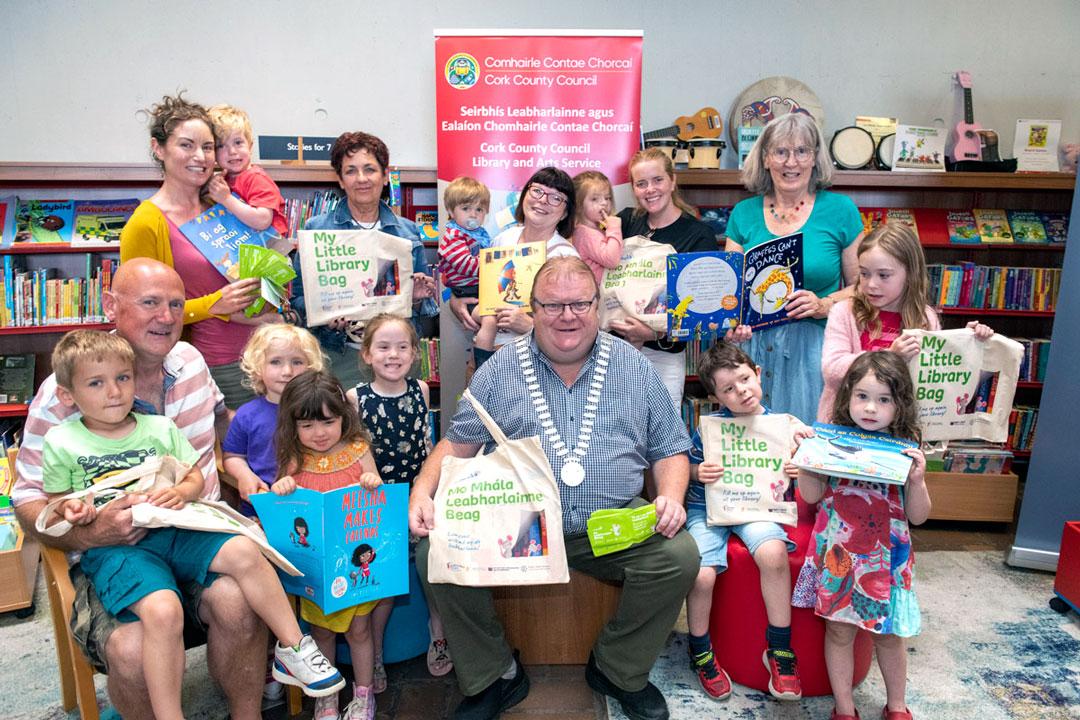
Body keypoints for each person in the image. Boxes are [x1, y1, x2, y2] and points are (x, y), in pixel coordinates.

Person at [410, 257, 699, 720]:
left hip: (610, 525)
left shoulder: (634, 366)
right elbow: (458, 442)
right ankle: (494, 675)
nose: (568, 315)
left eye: (580, 303)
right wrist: (422, 493)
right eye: (554, 305)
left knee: (679, 558)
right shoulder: (501, 369)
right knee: (432, 555)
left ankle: (617, 668)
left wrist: (670, 496)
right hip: (522, 528)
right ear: (533, 307)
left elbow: (670, 447)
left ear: (597, 307)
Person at [40, 331, 346, 720]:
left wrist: (183, 492)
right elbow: (57, 502)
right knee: (163, 610)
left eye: (122, 378)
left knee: (243, 549)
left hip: (176, 528)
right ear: (68, 395)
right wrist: (76, 512)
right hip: (120, 547)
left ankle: (293, 648)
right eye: (96, 383)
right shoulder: (62, 441)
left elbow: (192, 477)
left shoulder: (159, 428)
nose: (114, 392)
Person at [11, 257, 266, 720]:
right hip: (111, 554)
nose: (166, 318)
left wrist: (256, 468)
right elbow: (27, 500)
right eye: (149, 303)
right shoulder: (62, 391)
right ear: (111, 306)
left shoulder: (190, 361)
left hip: (193, 535)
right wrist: (91, 533)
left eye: (175, 304)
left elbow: (223, 425)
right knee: (130, 649)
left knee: (242, 600)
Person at [793, 352, 930, 720]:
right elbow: (809, 495)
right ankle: (844, 708)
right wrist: (807, 458)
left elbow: (918, 516)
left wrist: (917, 480)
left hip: (887, 559)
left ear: (900, 404)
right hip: (839, 555)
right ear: (847, 397)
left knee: (889, 636)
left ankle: (897, 707)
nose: (871, 408)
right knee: (838, 632)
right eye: (862, 396)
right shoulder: (830, 438)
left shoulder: (905, 446)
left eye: (884, 399)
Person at [119, 93, 267, 409]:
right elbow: (137, 316)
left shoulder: (224, 206)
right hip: (212, 363)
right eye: (186, 145)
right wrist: (215, 304)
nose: (200, 156)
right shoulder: (146, 222)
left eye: (208, 147)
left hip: (268, 356)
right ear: (158, 149)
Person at [684, 341, 809, 702]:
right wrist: (697, 471)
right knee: (702, 574)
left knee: (773, 554)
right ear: (717, 398)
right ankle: (701, 651)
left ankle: (780, 650)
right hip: (707, 509)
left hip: (756, 508)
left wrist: (796, 469)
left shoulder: (781, 426)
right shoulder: (709, 430)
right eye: (728, 389)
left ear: (757, 374)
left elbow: (797, 474)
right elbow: (686, 468)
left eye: (744, 380)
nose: (741, 391)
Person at [724, 112, 866, 425]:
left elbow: (864, 287)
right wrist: (734, 322)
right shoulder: (743, 213)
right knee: (754, 449)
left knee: (805, 444)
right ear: (764, 159)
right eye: (781, 152)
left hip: (813, 348)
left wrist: (824, 304)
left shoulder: (840, 210)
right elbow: (730, 292)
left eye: (802, 151)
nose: (792, 162)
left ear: (815, 158)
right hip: (753, 349)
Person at [271, 370, 385, 720]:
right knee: (321, 631)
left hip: (354, 566)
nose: (318, 434)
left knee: (360, 630)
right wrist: (283, 487)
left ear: (343, 417)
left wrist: (371, 480)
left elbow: (378, 490)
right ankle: (329, 694)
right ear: (293, 426)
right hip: (316, 570)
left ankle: (363, 694)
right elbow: (281, 496)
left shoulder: (357, 450)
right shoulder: (294, 456)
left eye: (328, 422)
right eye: (307, 426)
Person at [345, 314, 452, 687]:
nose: (394, 355)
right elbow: (357, 451)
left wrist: (429, 491)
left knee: (432, 566)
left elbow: (426, 442)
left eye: (402, 347)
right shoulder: (355, 398)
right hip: (378, 500)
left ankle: (438, 634)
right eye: (384, 347)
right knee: (384, 582)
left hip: (418, 492)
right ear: (367, 354)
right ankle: (373, 656)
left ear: (415, 353)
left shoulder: (421, 389)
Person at [290, 131, 437, 389]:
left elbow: (422, 309)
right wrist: (323, 313)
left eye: (370, 169)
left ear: (384, 175)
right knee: (342, 427)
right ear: (340, 179)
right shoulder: (316, 230)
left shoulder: (408, 232)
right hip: (339, 353)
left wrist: (416, 297)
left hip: (395, 356)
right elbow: (298, 299)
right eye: (351, 171)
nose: (361, 179)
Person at [818, 222, 994, 420]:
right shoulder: (844, 312)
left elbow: (936, 377)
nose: (871, 284)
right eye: (864, 273)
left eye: (883, 275)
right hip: (845, 426)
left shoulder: (925, 317)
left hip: (901, 430)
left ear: (910, 274)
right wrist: (890, 357)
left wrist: (968, 342)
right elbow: (831, 370)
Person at [614, 148, 719, 410]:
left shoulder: (698, 235)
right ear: (633, 188)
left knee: (661, 440)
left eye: (657, 180)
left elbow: (700, 313)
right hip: (615, 351)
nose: (650, 189)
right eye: (641, 183)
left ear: (672, 181)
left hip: (664, 356)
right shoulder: (625, 222)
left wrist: (651, 333)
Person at [469, 167, 580, 367]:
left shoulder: (565, 256)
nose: (543, 200)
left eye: (556, 198)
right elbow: (485, 294)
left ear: (565, 213)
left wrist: (530, 325)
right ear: (524, 195)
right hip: (485, 353)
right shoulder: (503, 239)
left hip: (532, 362)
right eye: (537, 190)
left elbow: (574, 323)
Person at [222, 323, 325, 516]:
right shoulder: (247, 415)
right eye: (275, 362)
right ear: (258, 367)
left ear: (311, 366)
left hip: (315, 506)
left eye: (297, 362)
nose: (287, 371)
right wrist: (244, 475)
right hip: (263, 507)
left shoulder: (322, 411)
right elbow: (233, 456)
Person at [436, 176, 497, 367]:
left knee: (493, 319)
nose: (473, 215)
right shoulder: (454, 236)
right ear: (451, 211)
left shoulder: (477, 235)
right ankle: (483, 366)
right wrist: (495, 264)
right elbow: (466, 265)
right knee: (490, 319)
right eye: (466, 208)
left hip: (479, 290)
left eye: (479, 209)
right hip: (467, 292)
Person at [206, 104, 289, 238]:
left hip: (269, 254)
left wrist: (226, 199)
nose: (232, 151)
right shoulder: (224, 180)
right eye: (221, 146)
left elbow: (262, 220)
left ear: (250, 146)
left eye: (238, 143)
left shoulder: (256, 178)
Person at [571, 170, 624, 284]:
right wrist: (614, 228)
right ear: (579, 205)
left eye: (607, 198)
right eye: (595, 199)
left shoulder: (598, 227)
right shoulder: (585, 234)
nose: (604, 203)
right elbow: (612, 260)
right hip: (599, 297)